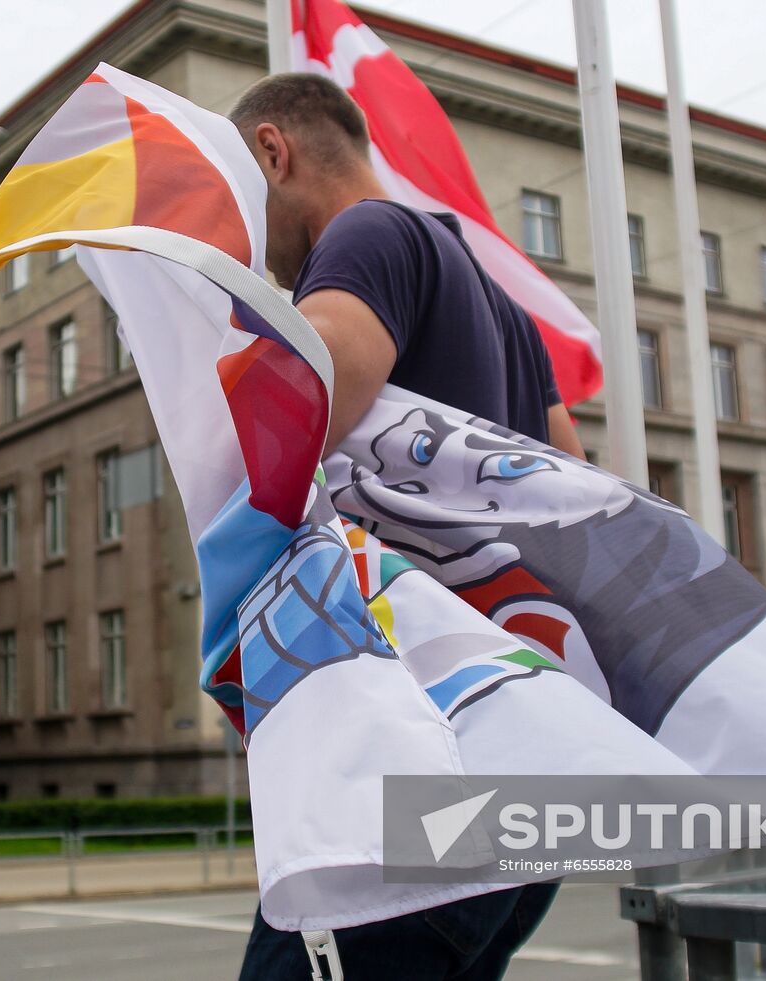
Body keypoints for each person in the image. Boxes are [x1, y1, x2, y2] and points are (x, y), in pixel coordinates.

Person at [228, 73, 579, 980]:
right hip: (519, 769)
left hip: (417, 766)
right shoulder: (511, 316)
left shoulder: (367, 233)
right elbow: (573, 488)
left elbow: (303, 398)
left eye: (241, 193)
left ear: (276, 151)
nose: (249, 247)